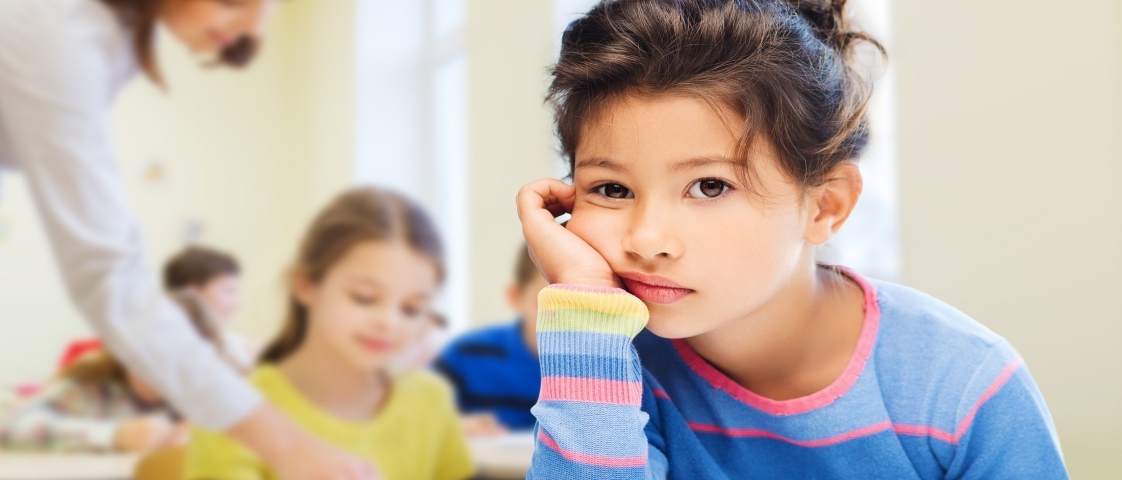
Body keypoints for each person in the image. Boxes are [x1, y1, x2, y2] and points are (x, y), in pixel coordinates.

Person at [516, 0, 1069, 478]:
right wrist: (585, 304)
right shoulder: (611, 368)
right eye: (612, 188)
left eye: (710, 186)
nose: (647, 239)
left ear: (825, 206)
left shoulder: (962, 386)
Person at [0, 0, 376, 477]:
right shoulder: (51, 29)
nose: (253, 28)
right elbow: (107, 276)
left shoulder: (111, 37)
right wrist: (288, 448)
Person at [184, 187, 475, 480]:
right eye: (364, 297)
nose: (388, 322)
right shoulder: (231, 412)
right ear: (305, 285)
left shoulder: (429, 399)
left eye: (411, 308)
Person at [0, 292, 239, 454]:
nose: (156, 374)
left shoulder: (210, 393)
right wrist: (113, 434)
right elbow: (2, 425)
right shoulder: (93, 383)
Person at [435, 244, 547, 436]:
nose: (566, 322)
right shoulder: (467, 353)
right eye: (547, 304)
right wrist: (451, 427)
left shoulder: (605, 369)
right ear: (516, 297)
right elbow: (416, 420)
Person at [164, 245, 255, 367]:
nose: (237, 304)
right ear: (192, 294)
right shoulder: (168, 351)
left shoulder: (241, 348)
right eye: (229, 291)